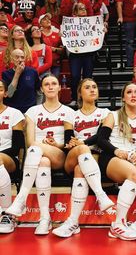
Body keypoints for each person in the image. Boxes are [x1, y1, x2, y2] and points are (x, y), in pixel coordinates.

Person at [5, 74, 74, 235]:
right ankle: (45, 218)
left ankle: (21, 198)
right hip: (37, 155)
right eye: (46, 84)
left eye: (54, 83)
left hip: (60, 154)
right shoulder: (32, 111)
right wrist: (40, 146)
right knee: (42, 160)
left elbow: (68, 143)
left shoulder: (69, 111)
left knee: (37, 148)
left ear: (59, 87)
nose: (50, 86)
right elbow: (29, 142)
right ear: (41, 89)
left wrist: (55, 144)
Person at [52, 78, 114, 238]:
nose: (92, 89)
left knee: (81, 167)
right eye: (87, 87)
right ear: (80, 93)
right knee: (82, 149)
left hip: (95, 159)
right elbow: (68, 140)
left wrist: (82, 142)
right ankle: (101, 195)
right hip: (73, 156)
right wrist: (80, 144)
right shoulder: (70, 115)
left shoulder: (106, 113)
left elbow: (102, 137)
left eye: (94, 87)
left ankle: (72, 222)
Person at [97, 82, 136, 241]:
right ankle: (117, 224)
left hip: (133, 154)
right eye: (129, 92)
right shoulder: (113, 115)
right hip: (111, 155)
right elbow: (101, 139)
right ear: (123, 98)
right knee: (134, 173)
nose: (133, 95)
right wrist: (116, 150)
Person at [0, 80, 25, 234]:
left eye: (0, 88)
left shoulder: (14, 113)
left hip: (9, 158)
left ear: (5, 93)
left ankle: (7, 214)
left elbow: (17, 146)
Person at [2, 49, 40, 113]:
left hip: (30, 110)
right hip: (13, 111)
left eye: (22, 57)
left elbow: (39, 92)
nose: (20, 60)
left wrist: (38, 107)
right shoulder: (6, 74)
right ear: (11, 59)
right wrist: (17, 74)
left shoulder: (33, 72)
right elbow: (9, 94)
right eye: (17, 57)